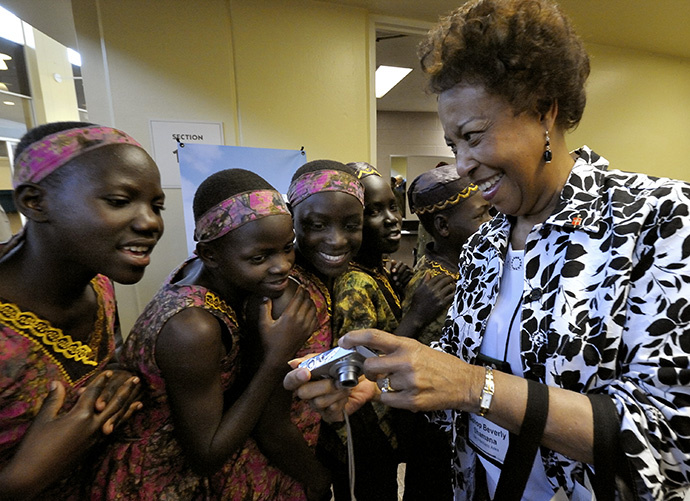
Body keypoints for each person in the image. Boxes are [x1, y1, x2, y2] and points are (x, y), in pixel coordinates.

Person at [285, 1, 690, 499]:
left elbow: (671, 441)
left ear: (545, 108)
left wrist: (477, 386)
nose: (463, 164)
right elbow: (451, 369)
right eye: (453, 144)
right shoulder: (485, 243)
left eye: (474, 137)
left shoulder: (660, 221)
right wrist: (381, 380)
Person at [89, 168, 327, 500]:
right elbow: (206, 455)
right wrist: (275, 359)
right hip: (157, 479)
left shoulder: (208, 272)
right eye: (260, 257)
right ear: (210, 255)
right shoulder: (193, 327)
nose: (282, 265)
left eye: (287, 248)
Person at [0, 122, 163, 499]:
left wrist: (116, 378)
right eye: (120, 201)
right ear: (34, 202)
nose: (151, 222)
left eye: (156, 206)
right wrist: (20, 480)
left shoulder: (100, 284)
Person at [399, 164, 492, 500]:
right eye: (481, 215)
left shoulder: (461, 266)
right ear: (443, 226)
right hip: (436, 425)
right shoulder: (436, 286)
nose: (490, 223)